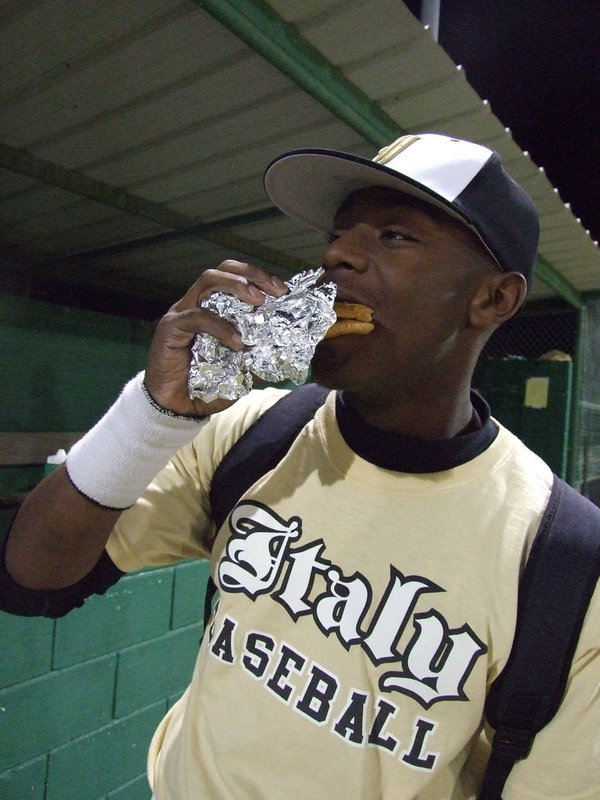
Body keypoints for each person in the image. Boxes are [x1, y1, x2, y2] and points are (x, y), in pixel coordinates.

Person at [2, 133, 599, 800]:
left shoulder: (565, 558)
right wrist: (151, 416)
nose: (337, 254)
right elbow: (33, 579)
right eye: (342, 233)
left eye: (396, 236)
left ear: (492, 300)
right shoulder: (254, 431)